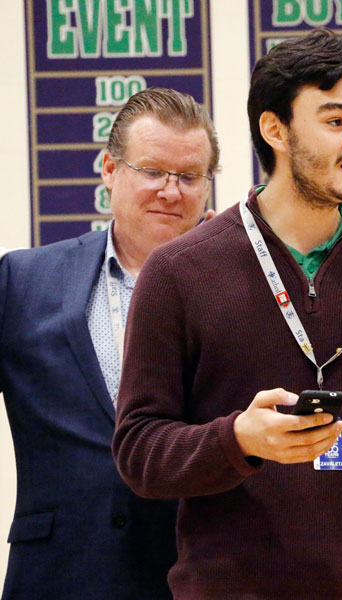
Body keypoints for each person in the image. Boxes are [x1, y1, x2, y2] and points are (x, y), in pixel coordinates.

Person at [112, 29, 342, 600]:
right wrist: (238, 439)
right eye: (337, 121)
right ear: (276, 130)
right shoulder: (179, 272)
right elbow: (139, 452)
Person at [0, 87, 218, 599]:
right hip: (58, 573)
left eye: (189, 177)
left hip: (192, 573)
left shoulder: (236, 291)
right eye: (151, 171)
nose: (170, 191)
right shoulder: (23, 280)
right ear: (108, 169)